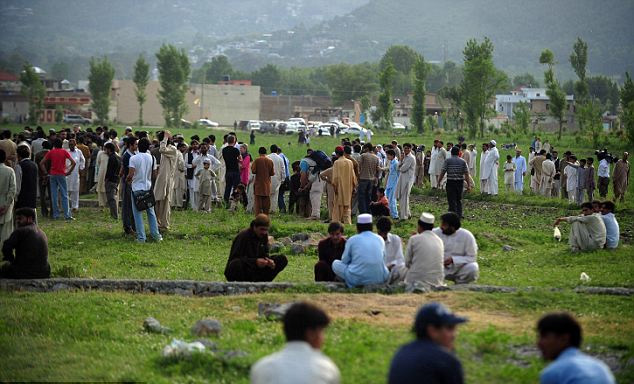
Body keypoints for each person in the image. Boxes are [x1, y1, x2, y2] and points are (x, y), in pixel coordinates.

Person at [250, 302, 340, 384]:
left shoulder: (262, 368)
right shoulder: (327, 369)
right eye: (321, 332)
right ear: (311, 334)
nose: (323, 338)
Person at [388, 302, 467, 384]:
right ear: (432, 331)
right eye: (450, 328)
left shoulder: (401, 353)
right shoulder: (446, 361)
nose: (454, 335)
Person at [537, 313, 615, 384]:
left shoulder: (554, 372)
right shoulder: (600, 367)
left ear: (564, 338)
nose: (538, 343)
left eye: (544, 337)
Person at [224, 214, 288, 282]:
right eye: (262, 229)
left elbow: (265, 254)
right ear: (255, 227)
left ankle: (262, 282)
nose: (264, 232)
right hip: (244, 270)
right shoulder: (243, 236)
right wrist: (255, 262)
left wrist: (268, 262)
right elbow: (235, 259)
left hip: (256, 269)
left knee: (282, 259)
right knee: (236, 264)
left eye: (266, 230)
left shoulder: (264, 236)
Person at [332, 214, 389, 287]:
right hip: (379, 278)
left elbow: (344, 261)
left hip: (357, 279)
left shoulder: (352, 240)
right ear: (371, 226)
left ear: (358, 227)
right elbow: (384, 260)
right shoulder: (380, 239)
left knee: (335, 263)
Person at [127, 137, 162, 243]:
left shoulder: (133, 158)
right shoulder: (152, 157)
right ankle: (156, 235)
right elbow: (155, 175)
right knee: (151, 212)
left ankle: (141, 237)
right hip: (147, 187)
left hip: (137, 188)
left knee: (137, 213)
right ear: (148, 146)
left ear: (138, 146)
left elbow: (131, 174)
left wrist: (128, 180)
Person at [396, 212, 445, 287]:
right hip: (437, 282)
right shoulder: (439, 240)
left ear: (419, 226)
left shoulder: (414, 239)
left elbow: (407, 263)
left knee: (397, 269)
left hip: (415, 281)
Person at [0, 207, 50, 278]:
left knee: (4, 267)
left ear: (29, 219)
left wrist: (11, 260)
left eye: (20, 219)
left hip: (22, 272)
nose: (17, 221)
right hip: (43, 273)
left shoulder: (20, 231)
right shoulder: (42, 232)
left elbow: (6, 247)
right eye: (16, 219)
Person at [432, 212, 479, 284]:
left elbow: (472, 257)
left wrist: (454, 260)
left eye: (444, 225)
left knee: (473, 268)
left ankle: (460, 286)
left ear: (452, 227)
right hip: (438, 267)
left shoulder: (467, 236)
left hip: (459, 268)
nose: (441, 227)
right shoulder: (435, 232)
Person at [40, 139, 76, 220]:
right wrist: (69, 172)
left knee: (54, 195)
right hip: (62, 174)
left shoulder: (51, 152)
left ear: (54, 145)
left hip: (52, 174)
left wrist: (45, 173)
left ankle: (56, 215)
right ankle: (67, 215)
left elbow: (41, 163)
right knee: (64, 195)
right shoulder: (64, 152)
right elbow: (74, 163)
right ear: (61, 145)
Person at [153, 131, 178, 231]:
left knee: (166, 203)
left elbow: (162, 149)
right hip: (161, 180)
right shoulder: (167, 149)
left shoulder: (172, 149)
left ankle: (164, 225)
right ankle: (158, 223)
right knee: (158, 202)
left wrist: (165, 138)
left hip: (167, 181)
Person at [438, 146, 471, 219]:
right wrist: (469, 185)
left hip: (450, 182)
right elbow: (466, 174)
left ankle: (452, 215)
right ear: (459, 153)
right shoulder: (463, 161)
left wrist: (439, 181)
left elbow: (443, 172)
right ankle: (459, 214)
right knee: (458, 199)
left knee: (451, 199)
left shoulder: (448, 161)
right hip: (460, 182)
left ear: (451, 153)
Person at [331, 146, 356, 224]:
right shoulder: (350, 162)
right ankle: (348, 224)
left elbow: (335, 178)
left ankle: (336, 224)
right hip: (348, 189)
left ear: (336, 154)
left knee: (337, 208)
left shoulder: (336, 163)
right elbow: (353, 176)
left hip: (339, 188)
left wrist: (335, 189)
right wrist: (354, 187)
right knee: (347, 207)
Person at [120, 137, 137, 235]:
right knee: (127, 206)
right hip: (128, 183)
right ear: (130, 145)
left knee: (133, 206)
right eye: (135, 144)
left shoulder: (134, 154)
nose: (136, 146)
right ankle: (128, 227)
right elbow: (125, 172)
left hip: (133, 183)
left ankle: (133, 226)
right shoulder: (127, 156)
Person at [14, 145, 38, 217]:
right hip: (32, 198)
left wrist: (15, 199)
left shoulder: (19, 166)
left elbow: (17, 185)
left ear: (18, 155)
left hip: (22, 200)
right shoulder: (34, 165)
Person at [357, 143, 380, 214]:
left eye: (364, 148)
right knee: (368, 197)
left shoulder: (363, 156)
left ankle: (363, 213)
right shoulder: (376, 158)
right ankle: (368, 212)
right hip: (371, 180)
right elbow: (377, 170)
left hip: (363, 178)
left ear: (367, 148)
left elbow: (358, 166)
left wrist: (358, 176)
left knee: (361, 197)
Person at [0, 149, 16, 249]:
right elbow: (13, 189)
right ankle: (5, 251)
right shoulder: (9, 171)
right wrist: (6, 205)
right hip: (6, 204)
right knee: (6, 231)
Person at [251, 147, 275, 215]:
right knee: (266, 204)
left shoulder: (257, 160)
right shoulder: (270, 161)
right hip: (267, 185)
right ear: (266, 152)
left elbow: (253, 171)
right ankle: (266, 217)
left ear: (259, 152)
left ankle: (258, 218)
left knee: (258, 204)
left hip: (258, 185)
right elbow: (272, 173)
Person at [396, 143, 416, 220]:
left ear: (410, 149)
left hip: (408, 179)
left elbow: (402, 169)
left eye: (408, 148)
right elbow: (398, 167)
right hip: (402, 178)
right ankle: (408, 214)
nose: (406, 150)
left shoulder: (411, 158)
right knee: (402, 197)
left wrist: (400, 166)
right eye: (405, 148)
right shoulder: (404, 157)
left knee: (404, 198)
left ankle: (404, 216)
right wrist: (401, 160)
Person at [65, 138, 86, 211]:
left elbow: (83, 160)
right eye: (70, 144)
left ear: (75, 144)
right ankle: (66, 206)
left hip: (75, 174)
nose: (71, 146)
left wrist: (81, 167)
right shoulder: (66, 152)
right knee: (67, 191)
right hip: (67, 174)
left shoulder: (79, 152)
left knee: (75, 190)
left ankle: (75, 206)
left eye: (72, 144)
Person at [222, 135, 242, 206]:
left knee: (227, 188)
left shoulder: (224, 150)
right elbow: (240, 159)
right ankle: (234, 204)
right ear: (234, 141)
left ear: (227, 141)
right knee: (236, 188)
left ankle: (225, 203)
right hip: (235, 171)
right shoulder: (236, 150)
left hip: (228, 171)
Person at [103, 143, 121, 220]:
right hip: (116, 179)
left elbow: (109, 171)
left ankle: (114, 216)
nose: (105, 151)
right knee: (113, 198)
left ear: (109, 149)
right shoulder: (117, 157)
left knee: (111, 199)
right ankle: (114, 214)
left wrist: (106, 179)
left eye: (105, 149)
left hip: (111, 181)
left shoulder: (111, 158)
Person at [268, 144, 285, 213]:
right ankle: (273, 209)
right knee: (275, 195)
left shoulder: (267, 157)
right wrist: (283, 179)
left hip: (268, 179)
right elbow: (283, 170)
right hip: (277, 179)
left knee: (267, 194)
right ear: (277, 150)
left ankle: (267, 208)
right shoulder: (280, 159)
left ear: (270, 149)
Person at [383, 149, 399, 219]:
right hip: (390, 183)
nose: (387, 157)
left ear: (392, 155)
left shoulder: (396, 163)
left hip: (394, 183)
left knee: (392, 200)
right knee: (388, 199)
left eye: (388, 155)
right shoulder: (391, 162)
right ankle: (390, 213)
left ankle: (395, 215)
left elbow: (398, 174)